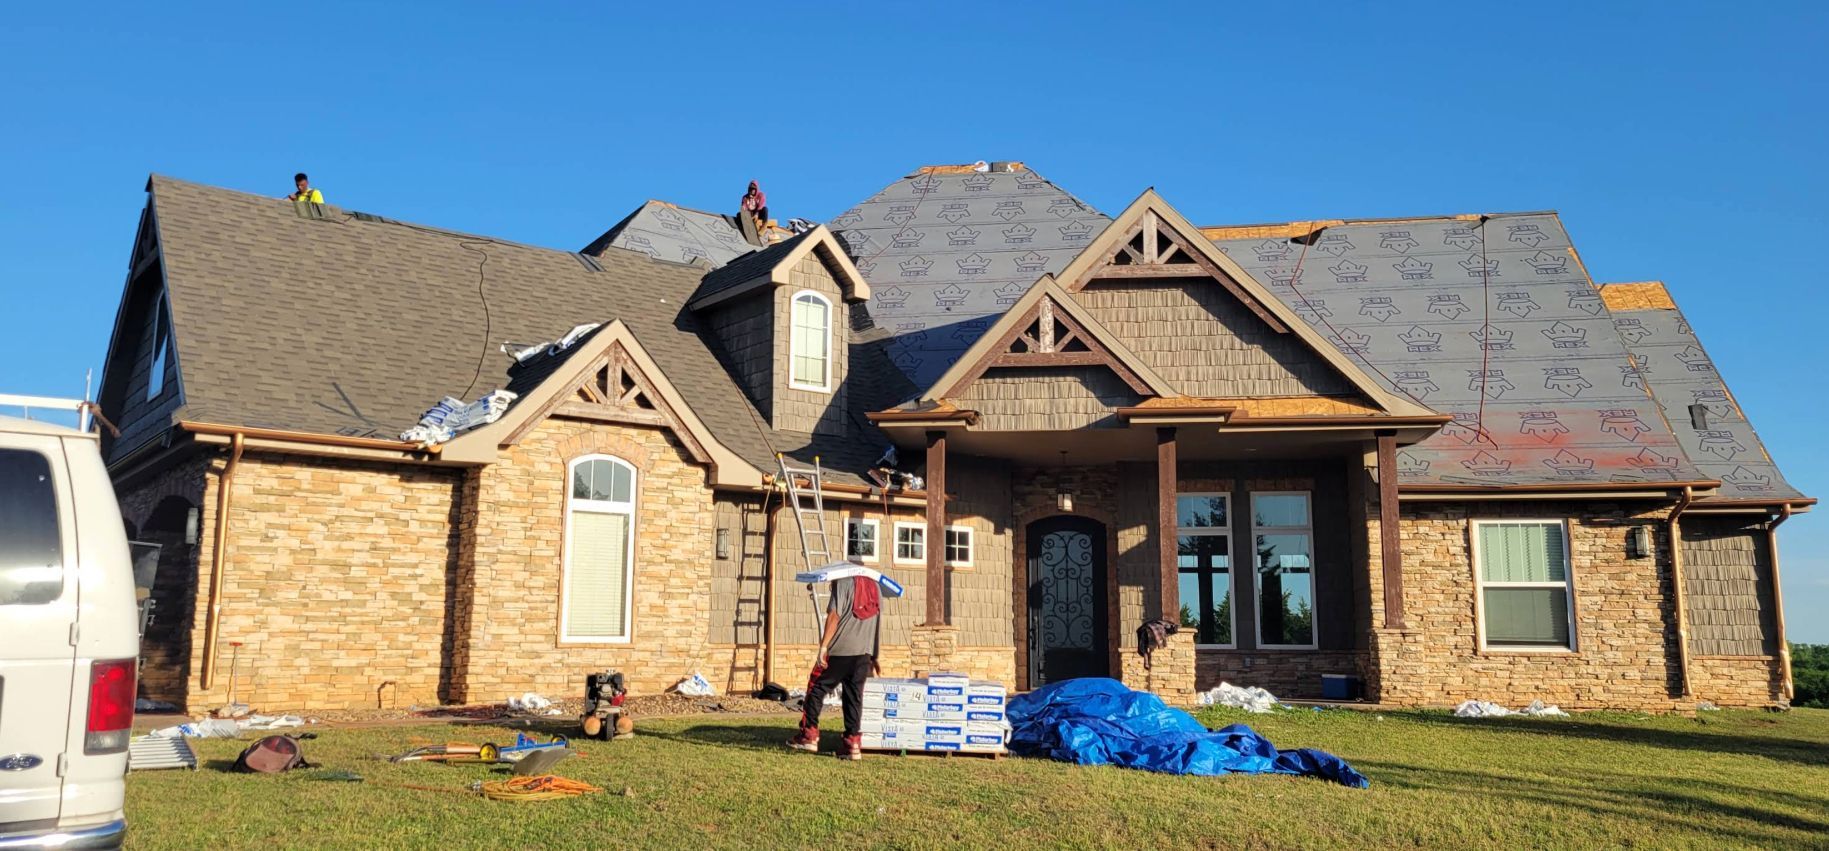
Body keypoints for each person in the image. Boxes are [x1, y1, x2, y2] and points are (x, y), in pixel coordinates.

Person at [786, 574, 880, 760]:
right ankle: (852, 743)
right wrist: (875, 655)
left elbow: (833, 616)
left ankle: (808, 735)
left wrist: (823, 647)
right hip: (864, 653)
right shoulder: (875, 588)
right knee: (854, 696)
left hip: (840, 651)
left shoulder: (842, 583)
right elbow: (878, 621)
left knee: (816, 687)